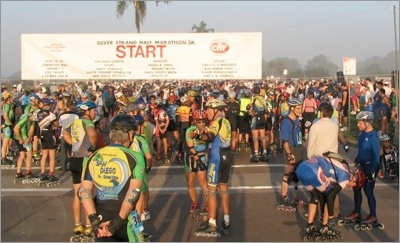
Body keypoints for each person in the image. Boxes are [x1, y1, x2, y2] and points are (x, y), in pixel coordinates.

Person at [79, 114, 147, 242]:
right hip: (127, 218)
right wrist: (116, 223)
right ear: (131, 135)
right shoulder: (135, 157)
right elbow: (133, 193)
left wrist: (94, 221)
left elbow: (84, 192)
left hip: (100, 216)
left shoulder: (93, 156)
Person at [195, 99, 232, 238]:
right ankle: (226, 220)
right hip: (228, 157)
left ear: (216, 110)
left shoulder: (216, 122)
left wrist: (200, 135)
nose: (207, 113)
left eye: (209, 110)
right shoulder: (226, 121)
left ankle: (212, 224)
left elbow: (209, 136)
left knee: (211, 191)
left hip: (216, 159)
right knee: (224, 190)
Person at [297, 154, 353, 241]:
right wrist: (331, 217)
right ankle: (325, 226)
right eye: (354, 185)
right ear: (353, 180)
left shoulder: (340, 167)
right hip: (314, 170)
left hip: (301, 168)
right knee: (329, 195)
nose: (351, 187)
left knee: (315, 195)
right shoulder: (346, 177)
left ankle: (310, 225)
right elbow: (330, 196)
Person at [62, 101, 98, 237]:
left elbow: (65, 133)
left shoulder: (75, 122)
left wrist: (73, 144)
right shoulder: (87, 122)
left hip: (75, 159)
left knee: (77, 194)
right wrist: (93, 147)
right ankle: (89, 226)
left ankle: (77, 225)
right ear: (88, 111)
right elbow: (92, 134)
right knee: (87, 193)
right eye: (94, 110)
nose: (95, 113)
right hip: (85, 160)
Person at [344, 111, 381, 225]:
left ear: (367, 123)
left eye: (360, 122)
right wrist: (358, 158)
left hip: (370, 167)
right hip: (362, 165)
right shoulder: (363, 134)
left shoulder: (373, 136)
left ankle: (373, 216)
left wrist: (373, 171)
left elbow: (376, 156)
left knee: (368, 190)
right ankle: (357, 212)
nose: (357, 125)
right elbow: (362, 150)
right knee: (356, 188)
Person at [276, 99, 304, 212]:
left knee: (296, 176)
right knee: (287, 175)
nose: (300, 110)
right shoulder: (286, 122)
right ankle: (283, 198)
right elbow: (285, 140)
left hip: (298, 149)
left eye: (301, 108)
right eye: (298, 108)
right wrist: (289, 154)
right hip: (291, 150)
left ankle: (296, 197)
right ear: (291, 108)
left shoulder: (297, 120)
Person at [184, 109, 210, 218]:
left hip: (202, 155)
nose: (201, 123)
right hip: (191, 156)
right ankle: (194, 202)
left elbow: (208, 139)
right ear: (195, 121)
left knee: (203, 182)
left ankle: (208, 204)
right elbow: (190, 146)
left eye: (203, 121)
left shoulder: (207, 130)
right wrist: (196, 157)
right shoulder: (190, 130)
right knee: (190, 182)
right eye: (199, 121)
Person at [129, 114, 152, 222]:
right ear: (139, 126)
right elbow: (148, 156)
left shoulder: (127, 138)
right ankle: (141, 216)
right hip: (139, 170)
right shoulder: (140, 139)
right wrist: (148, 166)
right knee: (141, 194)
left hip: (128, 169)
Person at [35, 98, 59, 185]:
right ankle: (51, 174)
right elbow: (57, 124)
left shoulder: (38, 113)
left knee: (44, 154)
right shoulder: (51, 114)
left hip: (42, 134)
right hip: (49, 134)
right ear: (48, 105)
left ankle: (42, 173)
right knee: (52, 155)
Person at [1, 92, 15, 168]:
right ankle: (3, 158)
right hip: (7, 126)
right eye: (12, 97)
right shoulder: (7, 105)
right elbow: (5, 116)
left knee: (6, 143)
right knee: (5, 143)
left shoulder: (8, 105)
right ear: (8, 98)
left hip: (7, 126)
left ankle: (4, 157)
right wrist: (10, 124)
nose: (13, 99)